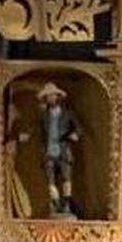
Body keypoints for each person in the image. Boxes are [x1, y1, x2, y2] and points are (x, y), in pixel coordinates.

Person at [35, 82, 79, 216]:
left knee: (66, 178)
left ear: (57, 97)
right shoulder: (44, 116)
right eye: (48, 97)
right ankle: (56, 203)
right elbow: (40, 132)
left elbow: (78, 128)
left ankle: (66, 204)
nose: (51, 99)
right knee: (51, 180)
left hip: (64, 151)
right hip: (49, 152)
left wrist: (74, 135)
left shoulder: (67, 114)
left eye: (53, 96)